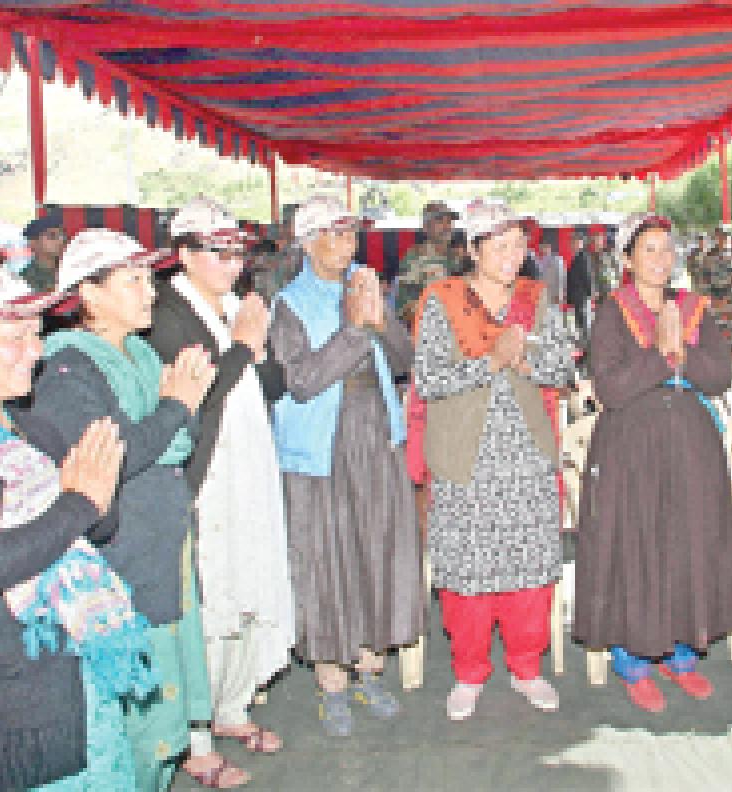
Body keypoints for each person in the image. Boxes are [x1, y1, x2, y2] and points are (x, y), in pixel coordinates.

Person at [31, 230, 243, 790]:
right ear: (89, 295)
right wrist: (172, 409)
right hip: (120, 552)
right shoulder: (69, 368)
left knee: (165, 706)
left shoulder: (142, 351)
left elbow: (181, 435)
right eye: (132, 281)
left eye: (148, 278)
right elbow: (118, 455)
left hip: (161, 533)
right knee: (129, 724)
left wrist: (168, 420)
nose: (149, 292)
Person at [0, 259, 149, 790]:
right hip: (4, 699)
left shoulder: (33, 430)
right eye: (14, 338)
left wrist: (90, 500)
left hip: (75, 669)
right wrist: (77, 503)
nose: (35, 352)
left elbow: (100, 526)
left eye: (36, 335)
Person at [573, 212, 732, 712]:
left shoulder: (695, 308)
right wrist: (663, 355)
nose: (661, 259)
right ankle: (633, 661)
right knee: (639, 544)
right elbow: (610, 386)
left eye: (667, 249)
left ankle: (682, 656)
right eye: (648, 249)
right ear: (627, 259)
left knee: (689, 542)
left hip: (692, 447)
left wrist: (685, 357)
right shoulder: (612, 312)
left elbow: (721, 375)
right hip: (633, 449)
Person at [144, 198, 295, 757]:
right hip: (207, 471)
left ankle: (231, 705)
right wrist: (240, 348)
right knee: (210, 596)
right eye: (218, 253)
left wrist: (258, 348)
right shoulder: (167, 313)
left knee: (249, 581)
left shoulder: (237, 304)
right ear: (183, 256)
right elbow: (193, 400)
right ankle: (197, 736)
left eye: (239, 253)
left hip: (251, 461)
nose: (232, 265)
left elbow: (272, 385)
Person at [413, 199, 573, 721]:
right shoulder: (442, 300)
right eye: (499, 246)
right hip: (466, 455)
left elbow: (559, 367)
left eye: (518, 245)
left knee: (530, 565)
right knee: (468, 568)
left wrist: (521, 358)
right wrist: (490, 362)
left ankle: (527, 667)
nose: (511, 256)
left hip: (526, 452)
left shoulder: (536, 299)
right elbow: (432, 379)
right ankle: (469, 672)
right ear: (473, 249)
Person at [270, 195, 422, 737]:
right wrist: (356, 330)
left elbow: (406, 365)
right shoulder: (288, 304)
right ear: (308, 242)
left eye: (350, 234)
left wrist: (381, 322)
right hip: (322, 445)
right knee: (326, 558)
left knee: (375, 550)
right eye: (333, 235)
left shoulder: (369, 285)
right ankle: (331, 680)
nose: (346, 245)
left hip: (376, 434)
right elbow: (301, 380)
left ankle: (369, 666)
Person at [395, 200, 459, 325]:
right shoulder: (415, 258)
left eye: (449, 221)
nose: (447, 226)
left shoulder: (458, 257)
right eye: (439, 221)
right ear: (425, 228)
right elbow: (404, 311)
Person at [9, 215, 67, 293]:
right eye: (52, 236)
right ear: (33, 243)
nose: (61, 241)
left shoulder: (69, 269)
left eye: (62, 236)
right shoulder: (25, 280)